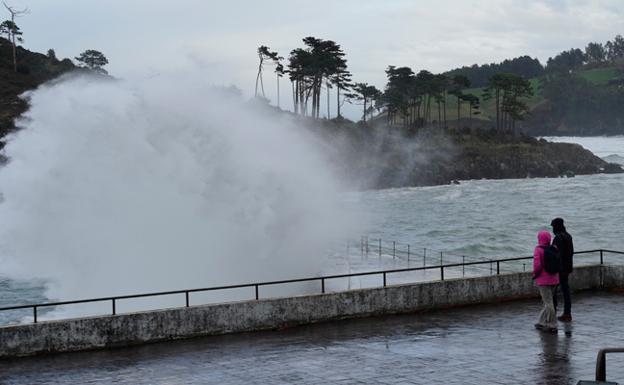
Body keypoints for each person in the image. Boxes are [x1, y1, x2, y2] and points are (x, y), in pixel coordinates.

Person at [533, 230, 559, 333]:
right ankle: (541, 322)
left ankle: (553, 324)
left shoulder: (538, 249)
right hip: (555, 279)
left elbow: (537, 266)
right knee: (548, 301)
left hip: (543, 281)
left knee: (548, 303)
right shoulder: (554, 248)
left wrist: (535, 274)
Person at [551, 217, 574, 322]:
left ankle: (553, 313)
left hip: (559, 269)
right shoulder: (568, 236)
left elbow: (555, 255)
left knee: (553, 291)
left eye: (553, 226)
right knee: (566, 291)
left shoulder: (558, 238)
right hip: (568, 267)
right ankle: (567, 313)